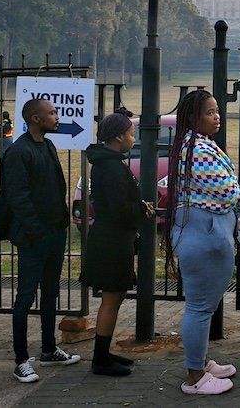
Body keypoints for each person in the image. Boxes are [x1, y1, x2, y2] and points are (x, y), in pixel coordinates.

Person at [0, 98, 81, 383]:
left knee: (51, 292)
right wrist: (36, 231)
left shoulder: (49, 146)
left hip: (55, 232)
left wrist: (59, 226)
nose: (57, 117)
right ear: (35, 118)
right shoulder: (19, 152)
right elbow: (18, 197)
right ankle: (21, 359)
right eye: (52, 113)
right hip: (34, 237)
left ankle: (48, 348)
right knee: (25, 297)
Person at [164, 89, 240, 395]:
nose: (216, 116)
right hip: (204, 234)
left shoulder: (198, 145)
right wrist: (235, 186)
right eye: (209, 112)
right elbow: (226, 191)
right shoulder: (196, 150)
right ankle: (194, 377)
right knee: (199, 307)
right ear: (194, 118)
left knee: (203, 306)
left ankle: (202, 362)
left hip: (205, 232)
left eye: (217, 111)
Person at [81, 112, 155, 377]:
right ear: (118, 137)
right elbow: (118, 209)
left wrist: (136, 206)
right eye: (130, 133)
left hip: (115, 238)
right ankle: (100, 360)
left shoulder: (110, 163)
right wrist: (140, 210)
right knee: (111, 300)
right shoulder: (110, 167)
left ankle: (104, 352)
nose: (133, 138)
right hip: (111, 241)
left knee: (116, 297)